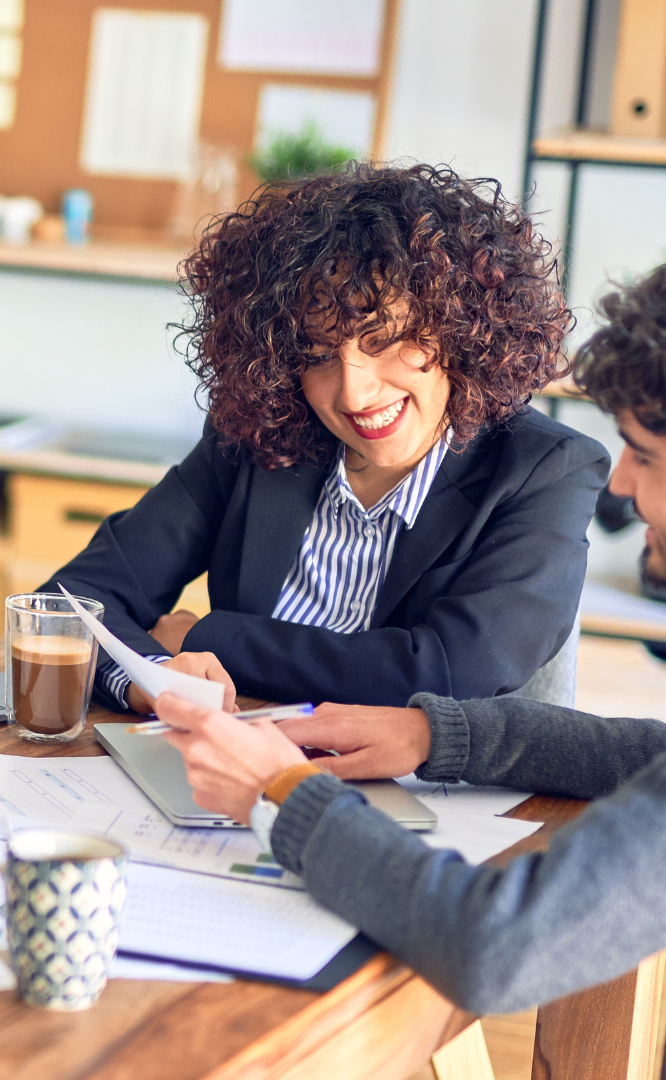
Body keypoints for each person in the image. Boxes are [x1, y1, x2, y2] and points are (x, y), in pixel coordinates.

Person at [154, 264, 666, 1015]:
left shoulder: (538, 467)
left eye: (646, 454)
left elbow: (494, 945)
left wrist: (280, 793)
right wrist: (442, 734)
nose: (622, 485)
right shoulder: (264, 441)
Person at [44, 164, 606, 714]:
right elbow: (69, 602)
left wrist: (209, 638)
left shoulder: (548, 469)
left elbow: (450, 675)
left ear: (462, 327)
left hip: (418, 799)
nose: (355, 393)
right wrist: (151, 675)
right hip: (228, 769)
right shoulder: (258, 434)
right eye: (316, 357)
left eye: (383, 339)